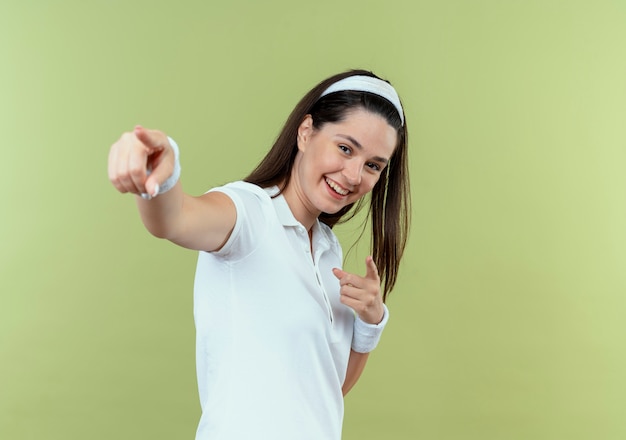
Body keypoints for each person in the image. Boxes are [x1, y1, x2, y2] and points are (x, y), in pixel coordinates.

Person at [108, 69, 410, 439]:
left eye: (373, 165)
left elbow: (326, 391)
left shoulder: (328, 250)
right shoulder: (250, 213)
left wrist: (369, 320)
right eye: (345, 148)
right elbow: (175, 220)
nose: (352, 175)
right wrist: (160, 172)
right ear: (305, 132)